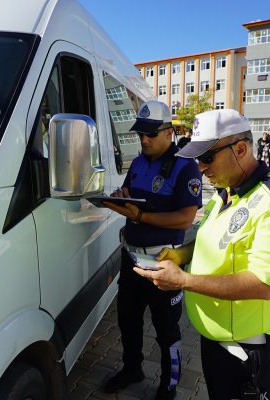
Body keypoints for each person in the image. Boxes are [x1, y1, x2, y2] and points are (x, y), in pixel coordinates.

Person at [135, 109, 270, 400]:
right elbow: (212, 239)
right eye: (197, 158)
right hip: (218, 342)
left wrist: (184, 281)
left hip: (248, 353)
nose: (200, 167)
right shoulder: (226, 192)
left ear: (240, 149)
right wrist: (182, 255)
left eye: (207, 157)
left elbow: (264, 285)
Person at [102, 100, 202, 399]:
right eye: (140, 134)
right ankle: (133, 369)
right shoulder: (138, 162)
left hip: (163, 260)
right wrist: (121, 198)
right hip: (131, 255)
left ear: (169, 132)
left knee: (166, 329)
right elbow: (130, 194)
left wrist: (140, 216)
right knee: (127, 320)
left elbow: (186, 217)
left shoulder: (186, 167)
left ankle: (168, 386)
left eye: (150, 134)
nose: (143, 140)